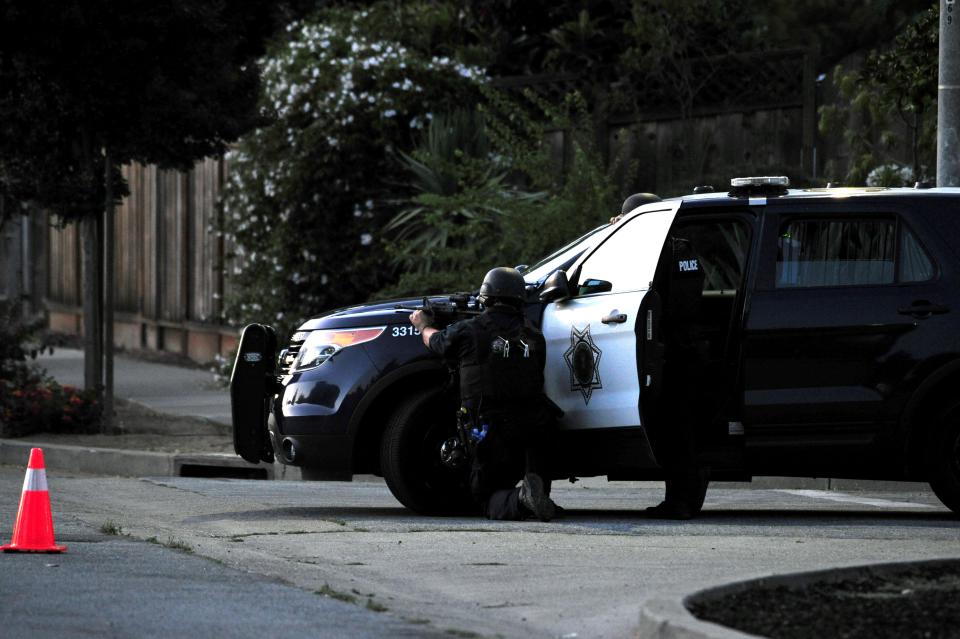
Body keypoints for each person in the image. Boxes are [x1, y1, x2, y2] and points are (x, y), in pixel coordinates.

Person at [409, 267, 559, 521]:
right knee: (526, 467)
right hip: (534, 427)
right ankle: (537, 494)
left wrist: (423, 325)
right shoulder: (534, 335)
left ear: (485, 298)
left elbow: (437, 342)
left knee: (485, 497)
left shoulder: (470, 329)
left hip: (489, 427)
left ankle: (522, 500)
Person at [645, 233, 710, 520]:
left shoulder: (658, 255)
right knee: (684, 428)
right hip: (693, 347)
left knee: (676, 430)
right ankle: (686, 496)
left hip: (674, 351)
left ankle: (679, 501)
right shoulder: (685, 251)